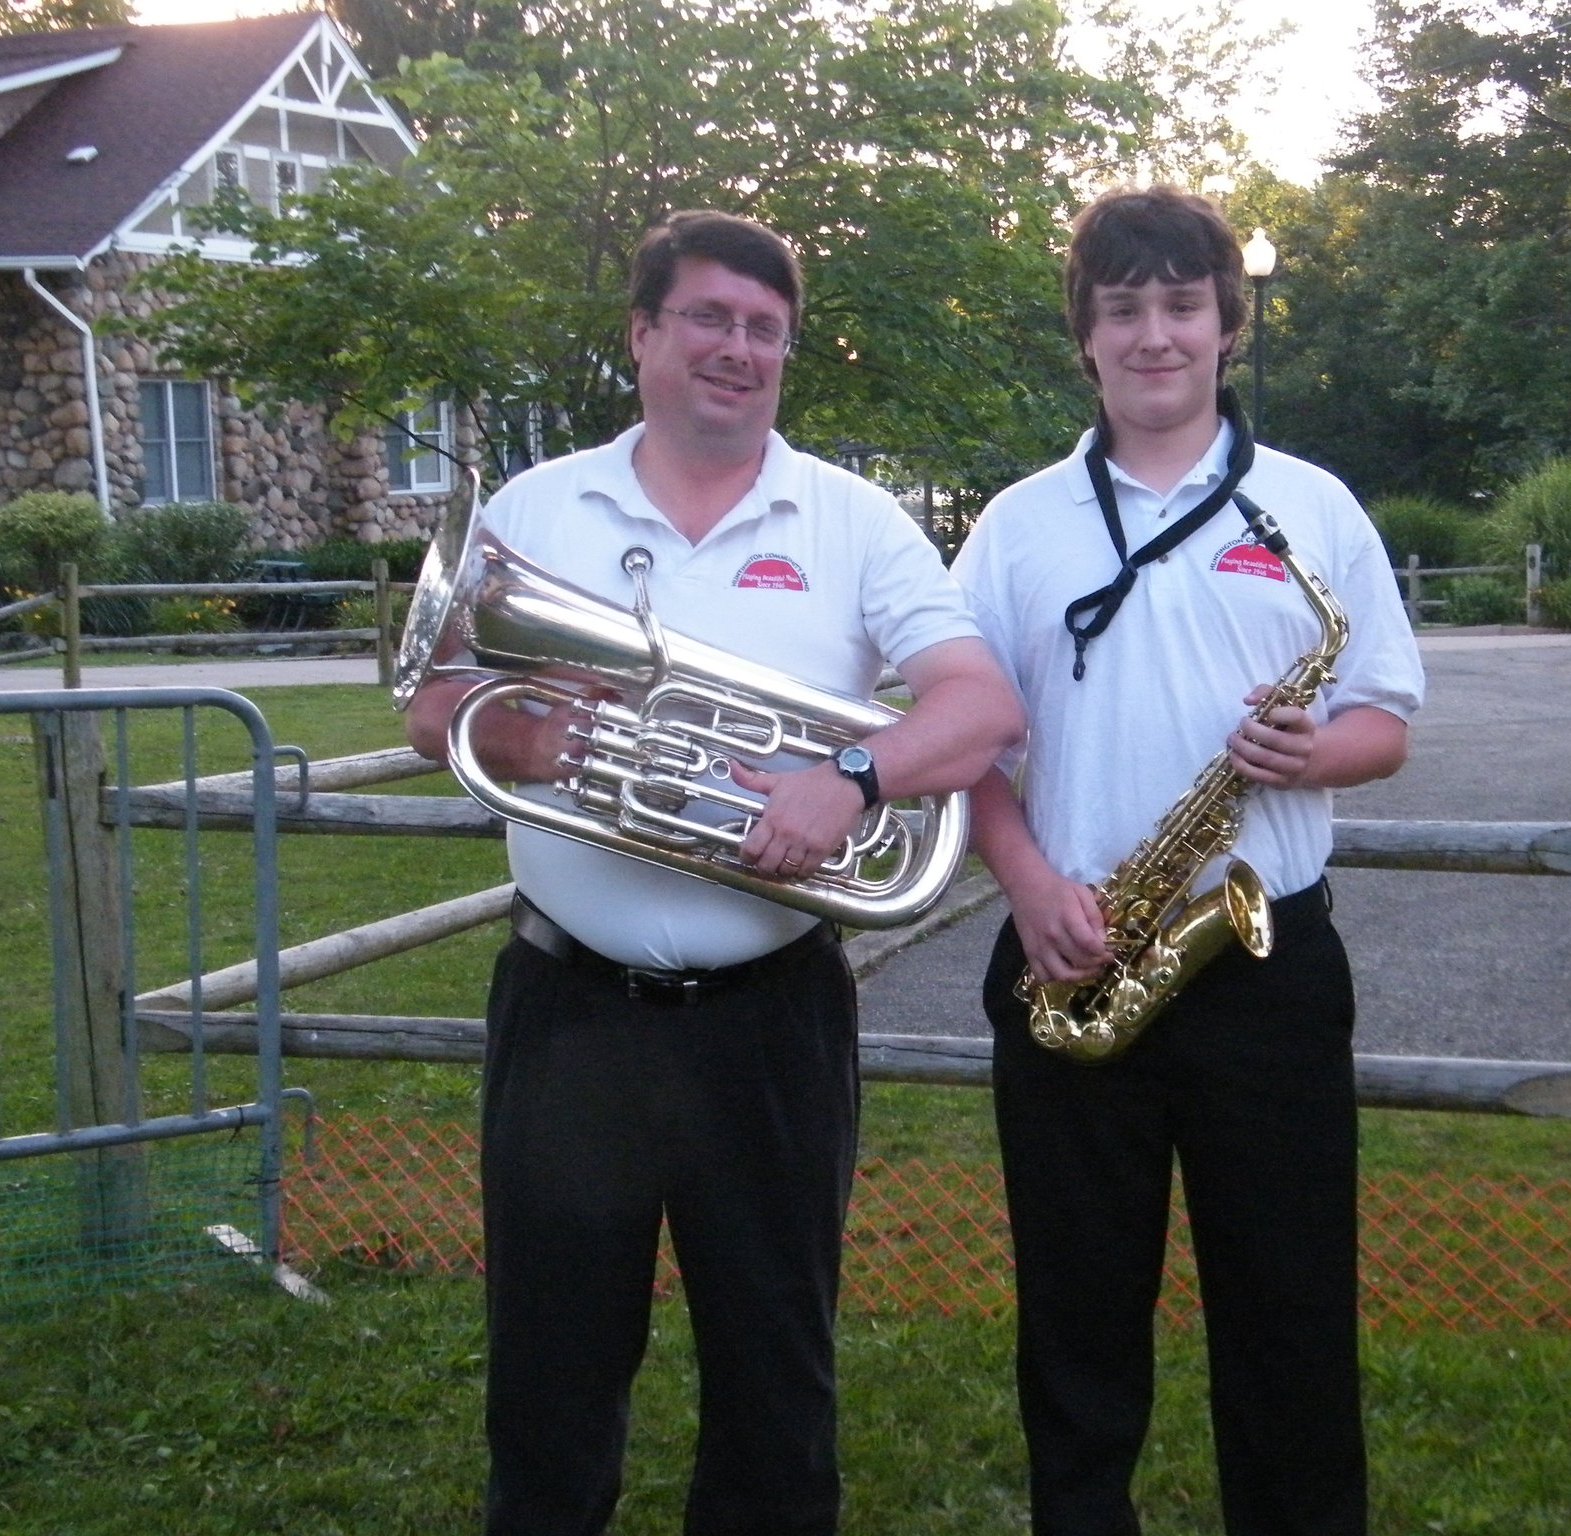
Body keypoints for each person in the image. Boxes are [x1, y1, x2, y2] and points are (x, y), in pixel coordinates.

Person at [405, 208, 1022, 1536]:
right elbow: (430, 700)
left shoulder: (855, 522)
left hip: (770, 1027)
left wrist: (849, 779)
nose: (737, 350)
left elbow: (979, 709)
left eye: (764, 330)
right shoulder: (535, 506)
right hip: (568, 1016)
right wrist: (522, 729)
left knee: (775, 1389)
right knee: (549, 1384)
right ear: (644, 336)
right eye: (709, 320)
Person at [951, 185, 1426, 1536]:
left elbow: (1384, 722)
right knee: (1076, 1321)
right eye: (1123, 311)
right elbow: (971, 742)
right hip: (1072, 948)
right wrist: (1031, 886)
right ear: (1085, 340)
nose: (1154, 334)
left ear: (1226, 324)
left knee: (1290, 1317)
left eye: (1180, 305)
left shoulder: (1311, 506)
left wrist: (1310, 759)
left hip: (1264, 962)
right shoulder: (1017, 525)